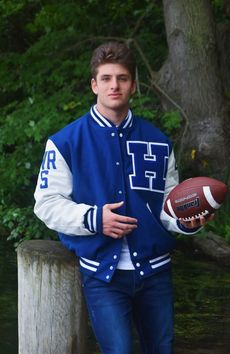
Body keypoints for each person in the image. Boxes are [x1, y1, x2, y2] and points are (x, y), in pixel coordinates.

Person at [34, 42, 211, 354]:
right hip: (104, 274)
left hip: (155, 272)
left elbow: (169, 204)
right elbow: (46, 204)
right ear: (94, 85)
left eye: (122, 78)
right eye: (106, 78)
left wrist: (188, 221)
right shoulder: (65, 142)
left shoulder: (158, 141)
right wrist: (94, 218)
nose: (114, 85)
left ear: (133, 85)